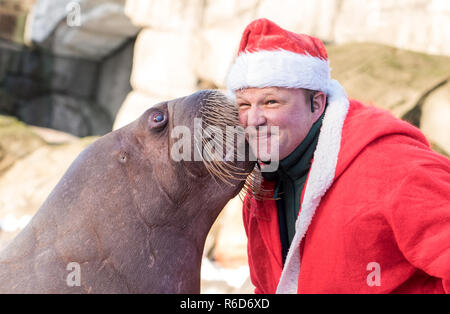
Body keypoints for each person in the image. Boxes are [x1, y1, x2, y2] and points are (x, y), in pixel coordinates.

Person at [225, 18, 450, 294]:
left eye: (272, 102)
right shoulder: (261, 188)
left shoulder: (391, 165)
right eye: (244, 105)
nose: (253, 119)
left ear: (316, 103)